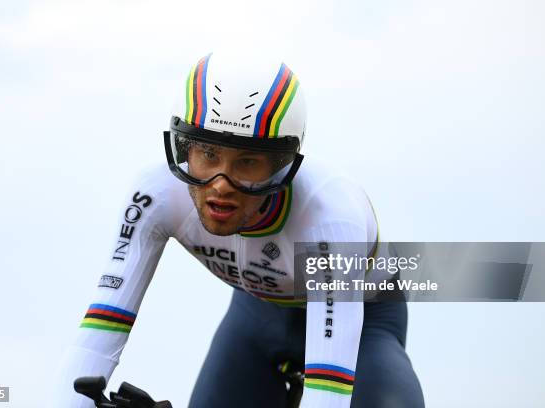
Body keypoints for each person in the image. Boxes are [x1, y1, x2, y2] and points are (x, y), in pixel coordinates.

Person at [54, 53, 425, 407]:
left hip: (364, 323)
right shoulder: (155, 192)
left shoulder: (331, 216)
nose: (221, 184)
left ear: (281, 165)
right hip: (256, 315)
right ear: (183, 147)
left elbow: (329, 390)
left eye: (247, 161)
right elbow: (99, 335)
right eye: (208, 154)